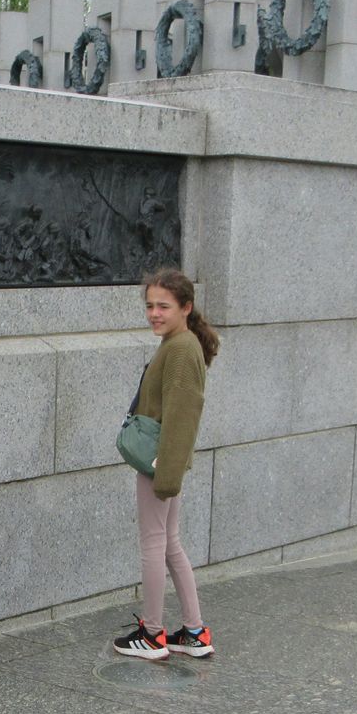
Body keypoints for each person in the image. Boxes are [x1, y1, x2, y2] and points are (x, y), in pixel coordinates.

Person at [115, 267, 219, 661]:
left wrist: (166, 476)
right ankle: (193, 631)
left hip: (159, 464)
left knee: (153, 544)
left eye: (164, 306)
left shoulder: (180, 349)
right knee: (170, 543)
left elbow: (182, 415)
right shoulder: (179, 343)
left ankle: (153, 634)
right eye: (149, 306)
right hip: (165, 462)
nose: (154, 313)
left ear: (186, 308)